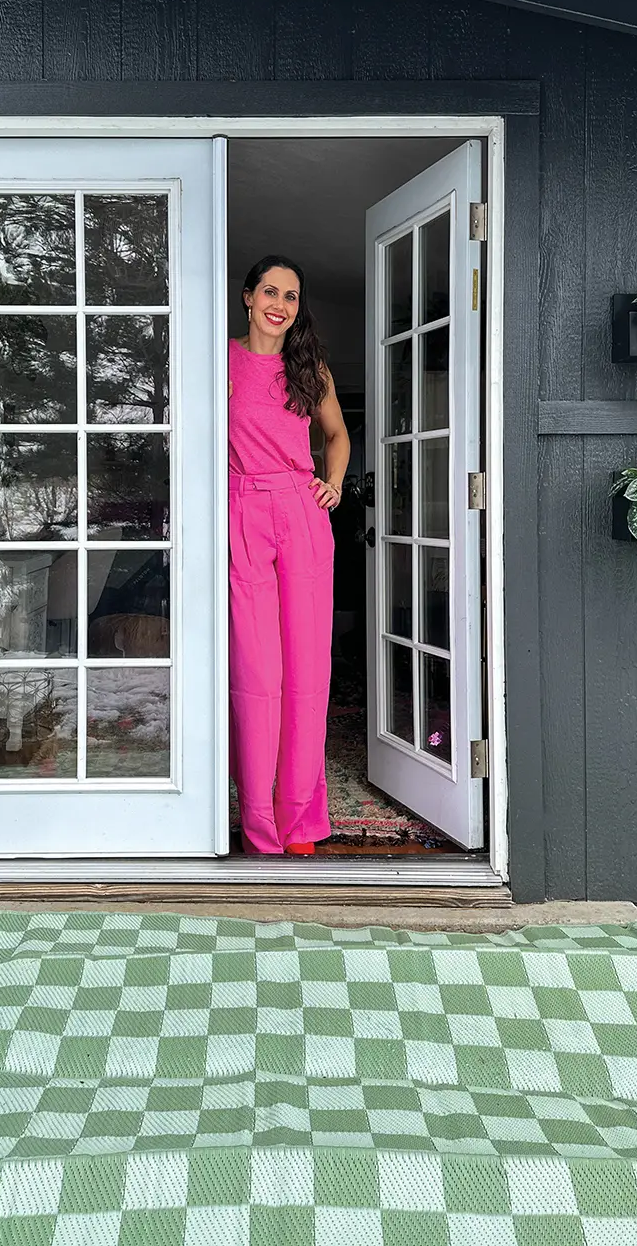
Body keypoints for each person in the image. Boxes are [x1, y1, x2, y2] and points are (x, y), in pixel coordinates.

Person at [228, 255, 351, 856]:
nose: (281, 303)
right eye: (270, 291)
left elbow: (338, 435)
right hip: (241, 509)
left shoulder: (310, 371)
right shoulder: (220, 364)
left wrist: (334, 481)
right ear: (248, 297)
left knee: (306, 671)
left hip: (302, 514)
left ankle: (299, 819)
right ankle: (257, 824)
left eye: (292, 296)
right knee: (256, 672)